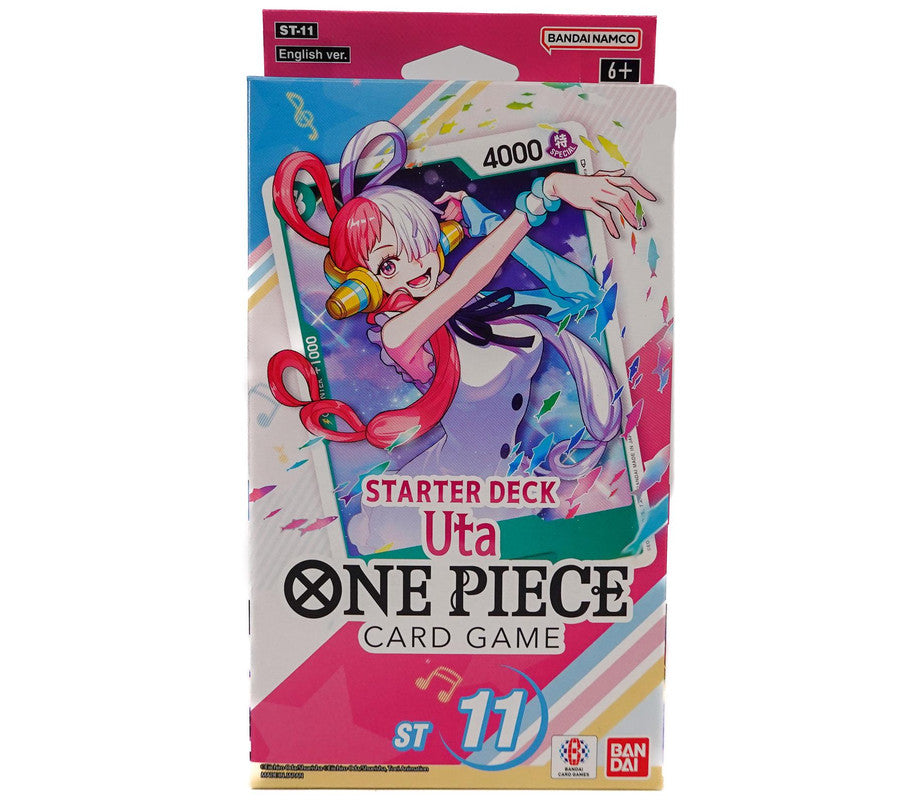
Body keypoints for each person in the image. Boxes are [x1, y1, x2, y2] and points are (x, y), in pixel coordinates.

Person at [268, 122, 655, 552]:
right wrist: (545, 193)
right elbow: (469, 277)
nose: (417, 266)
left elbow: (579, 292)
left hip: (500, 494)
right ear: (365, 284)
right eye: (388, 265)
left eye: (420, 244)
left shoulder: (481, 308)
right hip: (433, 500)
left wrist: (484, 219)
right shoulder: (401, 334)